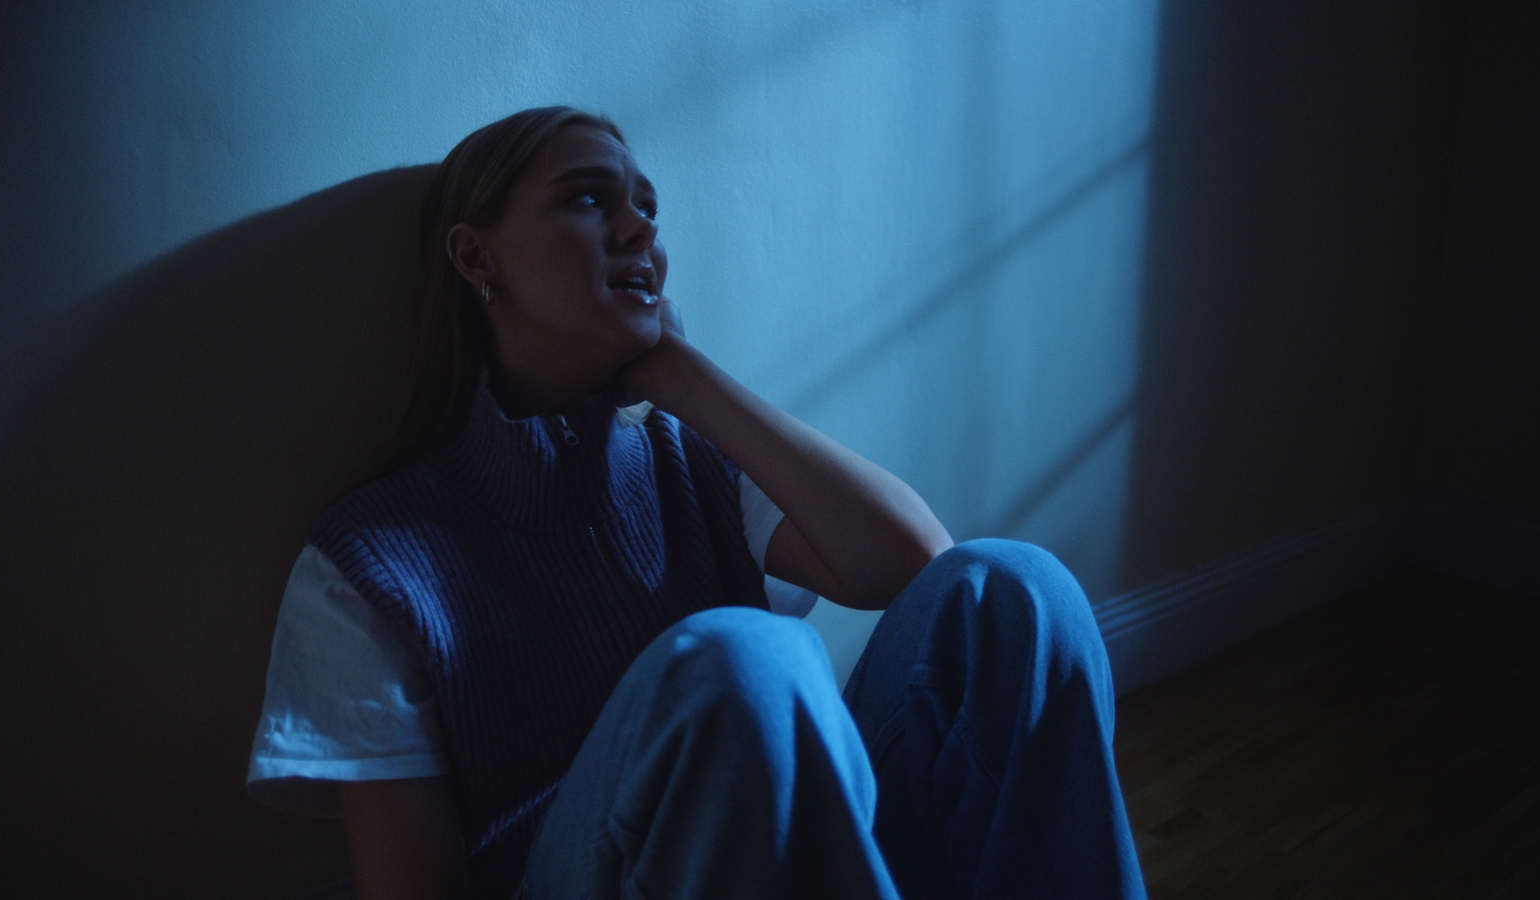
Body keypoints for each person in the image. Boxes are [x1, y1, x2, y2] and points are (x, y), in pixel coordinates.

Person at [248, 106, 1147, 900]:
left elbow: (914, 563)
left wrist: (679, 374)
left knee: (1010, 588)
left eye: (646, 207)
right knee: (742, 657)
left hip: (806, 858)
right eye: (589, 199)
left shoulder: (688, 460)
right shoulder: (364, 566)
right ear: (477, 256)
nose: (638, 228)